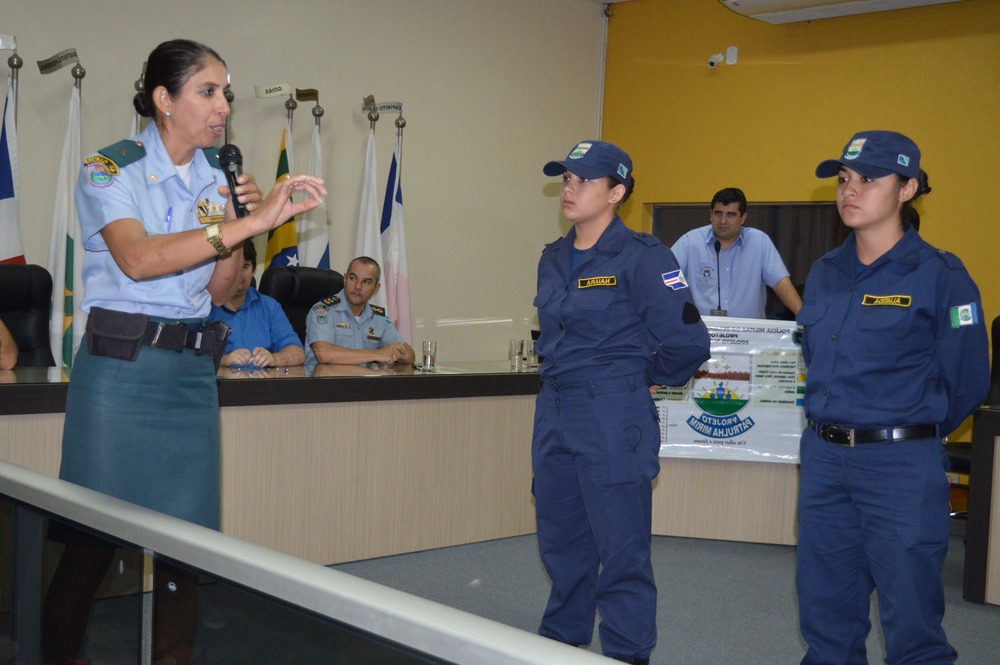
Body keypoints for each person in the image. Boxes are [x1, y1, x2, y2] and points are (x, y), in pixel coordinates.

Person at [41, 39, 326, 665]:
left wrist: (237, 223)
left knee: (184, 551)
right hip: (120, 373)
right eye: (208, 91)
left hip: (190, 377)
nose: (224, 104)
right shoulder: (109, 168)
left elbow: (224, 292)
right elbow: (138, 261)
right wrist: (243, 228)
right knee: (92, 544)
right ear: (163, 100)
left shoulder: (216, 179)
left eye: (226, 91)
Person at [796, 130, 989, 665]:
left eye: (869, 179)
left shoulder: (942, 276)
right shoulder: (824, 273)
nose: (849, 191)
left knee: (912, 624)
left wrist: (906, 429)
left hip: (900, 465)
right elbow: (820, 360)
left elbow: (968, 380)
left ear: (907, 189)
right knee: (825, 615)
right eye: (843, 179)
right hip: (824, 460)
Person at [532, 140, 710, 664]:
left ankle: (627, 654)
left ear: (616, 193)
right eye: (566, 177)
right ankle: (561, 645)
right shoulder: (553, 258)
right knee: (562, 544)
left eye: (583, 180)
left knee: (621, 551)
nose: (569, 187)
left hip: (612, 414)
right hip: (555, 409)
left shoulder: (644, 258)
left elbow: (688, 343)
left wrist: (638, 380)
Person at [671, 187, 802, 318]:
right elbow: (668, 280)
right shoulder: (690, 242)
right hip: (702, 331)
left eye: (731, 214)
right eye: (718, 213)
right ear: (710, 214)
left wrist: (805, 319)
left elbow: (780, 284)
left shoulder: (759, 242)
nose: (723, 221)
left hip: (749, 333)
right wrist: (680, 307)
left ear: (743, 217)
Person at [209, 239, 305, 368]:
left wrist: (274, 359)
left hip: (260, 385)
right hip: (217, 386)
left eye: (245, 267)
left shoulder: (269, 307)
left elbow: (298, 353)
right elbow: (187, 358)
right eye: (232, 267)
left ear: (253, 269)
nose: (239, 275)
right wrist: (223, 360)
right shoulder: (202, 306)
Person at [304, 256, 414, 366]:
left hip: (364, 381)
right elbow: (323, 354)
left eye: (366, 282)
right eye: (353, 278)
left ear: (376, 288)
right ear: (345, 279)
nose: (357, 286)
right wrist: (378, 354)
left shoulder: (378, 318)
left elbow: (410, 354)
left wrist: (395, 353)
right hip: (326, 382)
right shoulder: (323, 311)